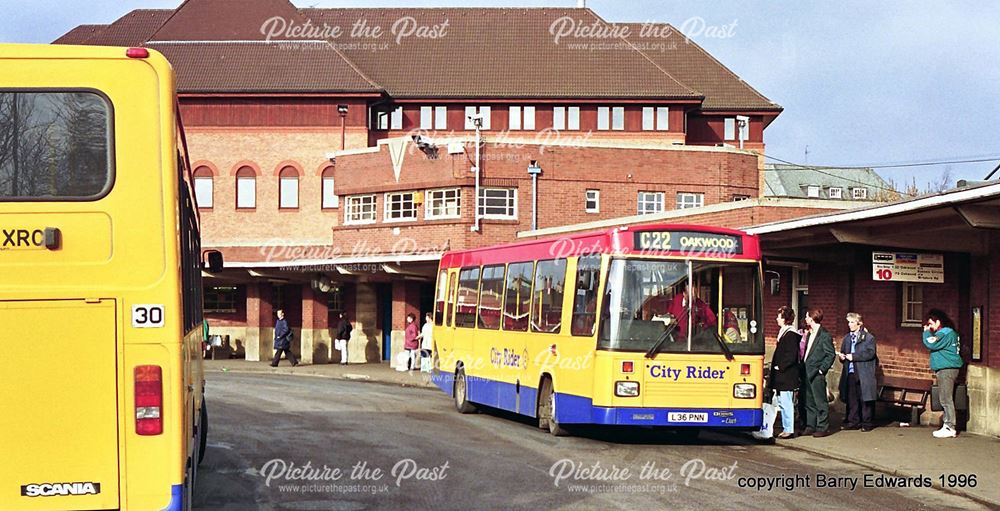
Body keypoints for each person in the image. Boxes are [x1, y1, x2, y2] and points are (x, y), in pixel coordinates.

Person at [922, 309, 963, 438]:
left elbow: (931, 343)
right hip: (947, 368)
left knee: (946, 398)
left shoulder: (945, 333)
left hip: (947, 369)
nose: (930, 327)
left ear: (938, 322)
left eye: (931, 324)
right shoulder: (950, 333)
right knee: (945, 398)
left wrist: (926, 332)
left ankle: (950, 426)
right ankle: (947, 425)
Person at [837, 312, 878, 432]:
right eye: (848, 322)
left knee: (865, 398)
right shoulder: (847, 338)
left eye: (852, 322)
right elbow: (844, 351)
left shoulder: (869, 338)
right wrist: (842, 357)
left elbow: (870, 353)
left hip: (863, 372)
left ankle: (867, 423)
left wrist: (854, 357)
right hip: (850, 371)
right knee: (852, 398)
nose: (849, 325)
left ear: (859, 324)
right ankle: (853, 421)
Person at [801, 308, 835, 437]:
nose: (805, 319)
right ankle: (811, 425)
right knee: (809, 401)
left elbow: (830, 354)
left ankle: (822, 427)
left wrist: (822, 369)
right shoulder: (810, 334)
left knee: (820, 401)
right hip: (807, 371)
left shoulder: (824, 335)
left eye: (807, 316)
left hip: (817, 373)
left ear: (812, 318)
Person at [771, 306, 801, 439]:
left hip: (786, 375)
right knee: (782, 402)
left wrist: (780, 367)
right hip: (781, 375)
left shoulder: (791, 334)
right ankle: (786, 427)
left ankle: (789, 429)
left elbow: (791, 355)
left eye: (779, 316)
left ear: (785, 318)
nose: (777, 319)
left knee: (787, 402)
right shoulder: (784, 332)